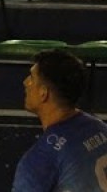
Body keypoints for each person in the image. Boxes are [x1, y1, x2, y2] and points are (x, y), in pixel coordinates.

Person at [12, 50, 107, 191]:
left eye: (31, 77)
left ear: (44, 93)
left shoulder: (39, 160)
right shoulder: (100, 127)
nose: (25, 82)